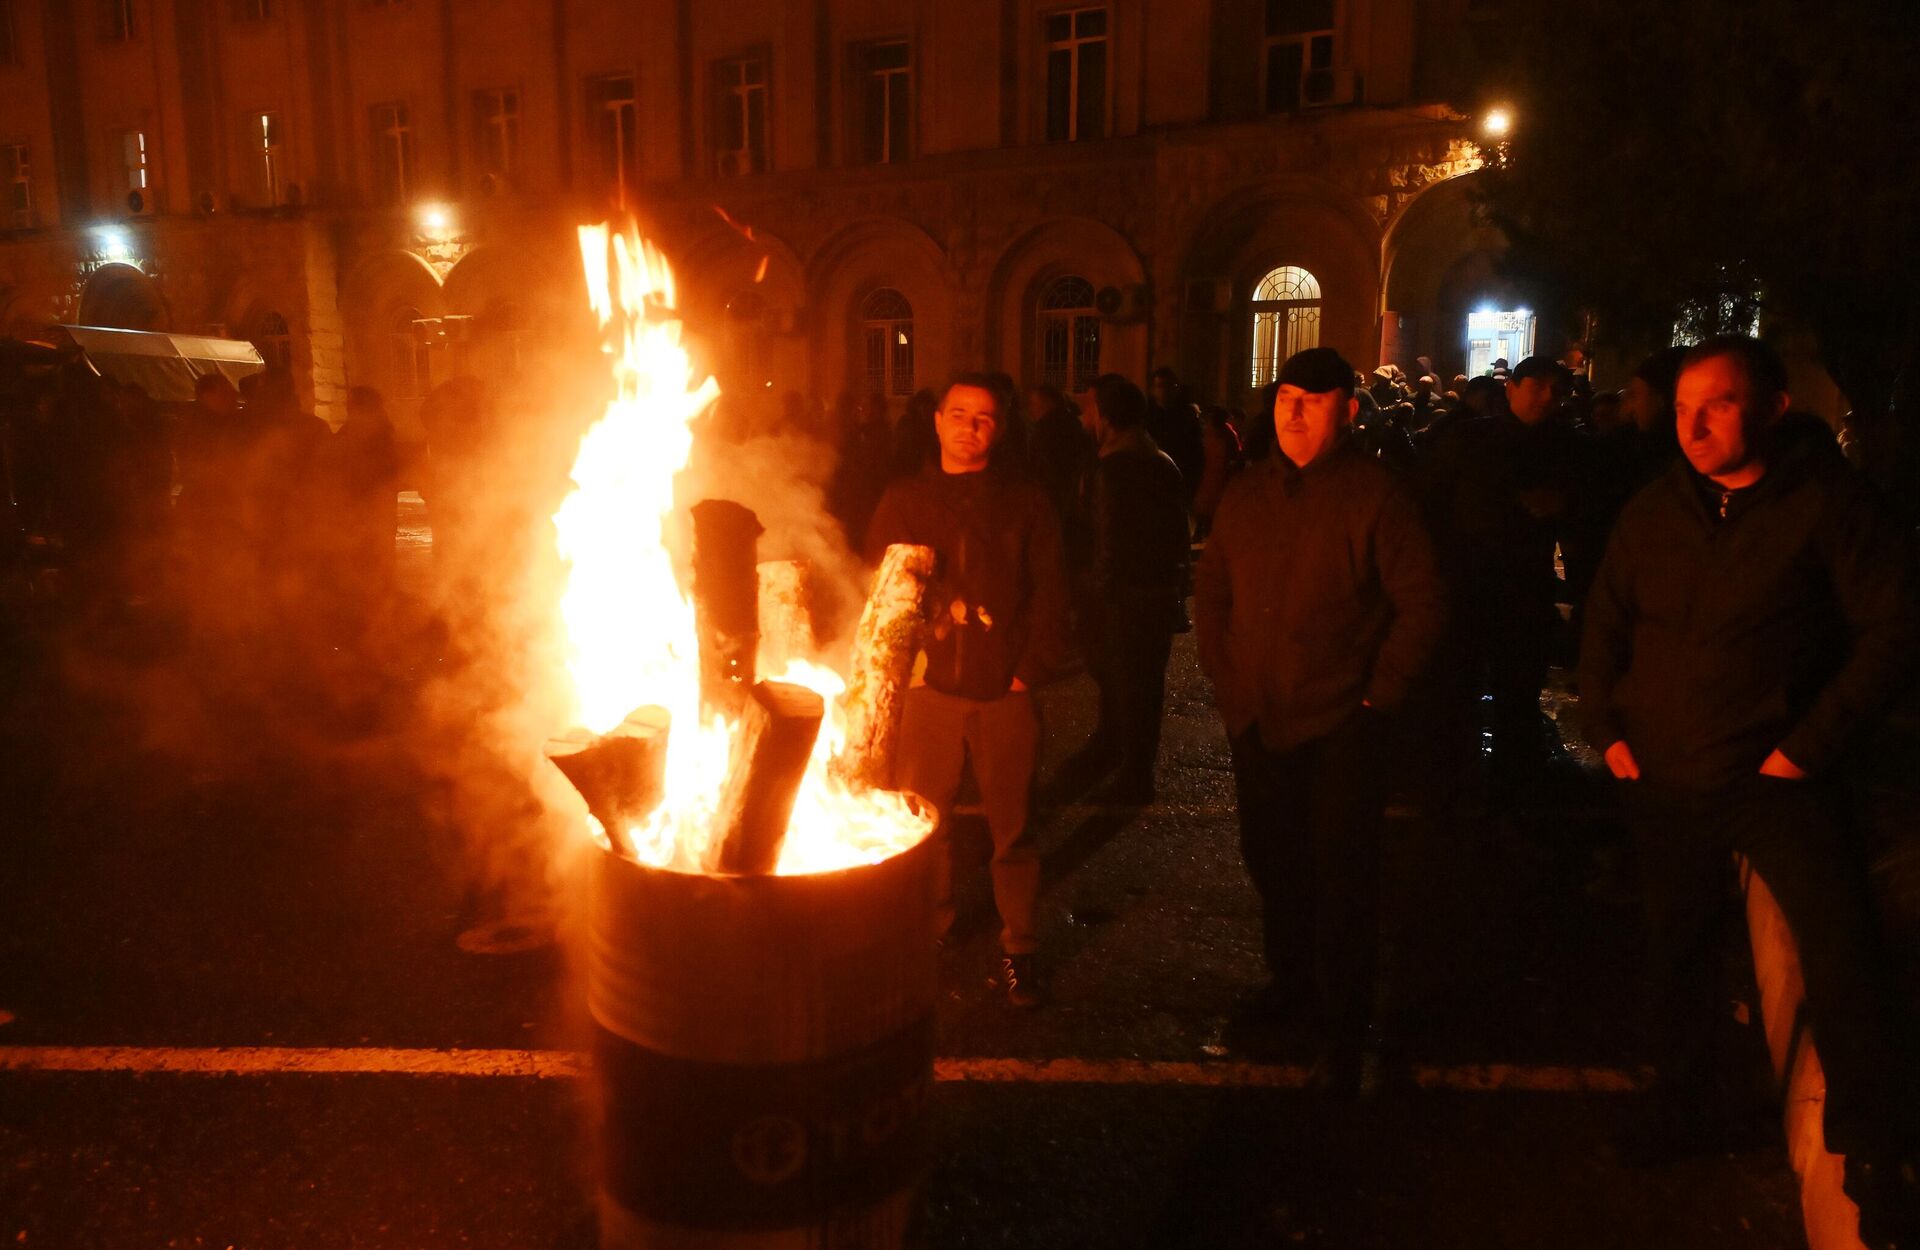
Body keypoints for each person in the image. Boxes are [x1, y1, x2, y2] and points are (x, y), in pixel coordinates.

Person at [1579, 335, 1920, 1244]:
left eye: (1718, 404)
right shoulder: (1654, 511)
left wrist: (1807, 748)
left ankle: (1875, 1151)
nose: (1692, 426)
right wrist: (1609, 731)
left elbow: (1893, 628)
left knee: (1842, 956)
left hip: (1777, 780)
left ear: (1769, 408)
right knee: (1676, 952)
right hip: (1665, 777)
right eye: (1684, 406)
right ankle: (1680, 1108)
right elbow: (1604, 622)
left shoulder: (1827, 507)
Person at [1194, 347, 1446, 1085]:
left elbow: (1423, 603)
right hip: (1260, 722)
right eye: (1284, 398)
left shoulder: (1375, 496)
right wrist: (1231, 682)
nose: (1293, 412)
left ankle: (1341, 1025)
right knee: (1274, 863)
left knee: (1342, 879)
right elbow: (1211, 593)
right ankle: (1291, 987)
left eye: (1312, 399)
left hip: (1343, 728)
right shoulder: (1247, 494)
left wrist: (1378, 696)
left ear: (1348, 409)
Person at [865, 372, 1073, 1008]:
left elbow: (1052, 591)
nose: (969, 427)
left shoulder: (1025, 501)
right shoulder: (905, 498)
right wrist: (911, 656)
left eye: (983, 418)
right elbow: (883, 588)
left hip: (1004, 690)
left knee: (1014, 828)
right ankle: (931, 930)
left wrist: (1028, 670)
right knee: (928, 821)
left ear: (1000, 428)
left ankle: (1021, 946)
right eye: (958, 414)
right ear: (937, 421)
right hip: (932, 690)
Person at [1065, 373, 1189, 805]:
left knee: (1129, 683)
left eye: (1089, 407)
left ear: (1106, 416)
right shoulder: (1161, 460)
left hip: (1123, 597)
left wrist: (1091, 597)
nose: (1083, 416)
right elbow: (1179, 534)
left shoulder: (1115, 468)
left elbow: (1107, 539)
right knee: (1136, 684)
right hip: (1151, 594)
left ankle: (1134, 774)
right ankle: (1117, 749)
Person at [1146, 367, 1204, 504]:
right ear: (1153, 389)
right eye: (1159, 386)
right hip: (1153, 477)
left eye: (1169, 386)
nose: (1164, 390)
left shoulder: (1186, 416)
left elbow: (1196, 448)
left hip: (1180, 475)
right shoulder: (1147, 415)